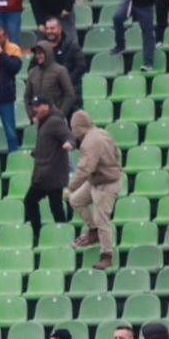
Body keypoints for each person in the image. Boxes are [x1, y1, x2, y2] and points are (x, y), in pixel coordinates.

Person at [67, 109, 121, 270]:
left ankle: (107, 255)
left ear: (76, 127)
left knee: (102, 219)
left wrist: (70, 187)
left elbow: (85, 169)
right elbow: (116, 153)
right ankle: (93, 231)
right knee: (76, 200)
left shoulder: (89, 142)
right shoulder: (103, 132)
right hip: (98, 179)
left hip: (106, 183)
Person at [25, 95, 74, 242]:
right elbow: (47, 143)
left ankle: (48, 233)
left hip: (51, 174)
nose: (34, 109)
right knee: (48, 205)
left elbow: (69, 136)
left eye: (37, 106)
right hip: (44, 173)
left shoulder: (55, 121)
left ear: (46, 106)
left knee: (49, 205)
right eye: (33, 106)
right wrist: (35, 152)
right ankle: (42, 233)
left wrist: (69, 143)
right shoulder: (43, 121)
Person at [25, 41, 76, 117]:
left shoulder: (60, 70)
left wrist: (61, 114)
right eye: (36, 53)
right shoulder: (32, 72)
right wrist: (31, 115)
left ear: (47, 53)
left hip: (55, 118)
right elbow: (27, 96)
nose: (37, 56)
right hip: (38, 118)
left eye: (40, 53)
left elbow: (70, 95)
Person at [40, 16, 87, 95]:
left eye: (52, 28)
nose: (49, 31)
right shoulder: (41, 47)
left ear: (60, 28)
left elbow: (81, 66)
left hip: (71, 92)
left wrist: (65, 82)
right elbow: (32, 69)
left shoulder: (72, 46)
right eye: (47, 28)